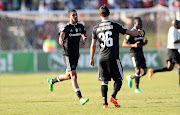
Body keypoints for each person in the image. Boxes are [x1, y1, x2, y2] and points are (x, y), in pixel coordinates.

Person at [90, 5, 144, 108]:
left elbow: (93, 45)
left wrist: (91, 58)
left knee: (104, 81)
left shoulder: (96, 28)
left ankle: (105, 104)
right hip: (113, 57)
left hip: (101, 57)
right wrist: (139, 32)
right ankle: (113, 96)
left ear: (99, 15)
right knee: (119, 79)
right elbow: (130, 33)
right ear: (109, 14)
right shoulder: (114, 25)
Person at [47, 9, 89, 105]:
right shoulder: (66, 27)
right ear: (69, 17)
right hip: (68, 55)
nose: (75, 16)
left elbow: (85, 35)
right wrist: (60, 39)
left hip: (76, 55)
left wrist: (84, 39)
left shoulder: (80, 26)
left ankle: (51, 81)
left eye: (76, 15)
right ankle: (81, 98)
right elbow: (61, 34)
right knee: (74, 76)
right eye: (73, 15)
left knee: (68, 76)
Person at [148, 20, 180, 87]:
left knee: (170, 68)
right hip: (173, 51)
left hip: (171, 50)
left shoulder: (174, 29)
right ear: (176, 24)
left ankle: (153, 71)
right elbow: (174, 41)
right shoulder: (173, 30)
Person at [122, 17, 148, 93]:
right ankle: (137, 88)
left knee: (144, 72)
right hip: (134, 53)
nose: (140, 25)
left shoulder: (142, 31)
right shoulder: (131, 32)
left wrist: (144, 43)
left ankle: (130, 77)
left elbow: (139, 43)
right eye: (139, 24)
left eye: (141, 23)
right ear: (134, 23)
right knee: (138, 70)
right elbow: (124, 44)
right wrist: (133, 45)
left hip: (141, 53)